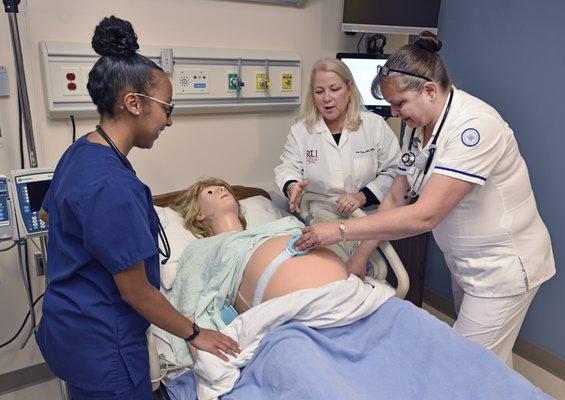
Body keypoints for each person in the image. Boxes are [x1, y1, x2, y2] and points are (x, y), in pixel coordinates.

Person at [294, 31, 555, 366]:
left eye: (399, 103)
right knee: (491, 363)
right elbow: (395, 198)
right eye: (391, 104)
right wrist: (359, 257)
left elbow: (425, 215)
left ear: (429, 89)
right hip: (466, 262)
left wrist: (339, 230)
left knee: (464, 365)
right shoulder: (419, 127)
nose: (394, 111)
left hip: (501, 265)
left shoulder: (474, 127)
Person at [35, 17, 238, 399]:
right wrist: (196, 334)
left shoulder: (82, 150)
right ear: (133, 104)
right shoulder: (112, 185)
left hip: (69, 324)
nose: (169, 120)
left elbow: (49, 216)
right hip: (102, 344)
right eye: (167, 107)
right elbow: (136, 292)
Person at [170, 178, 349, 317]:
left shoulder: (277, 227)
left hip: (348, 293)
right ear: (199, 214)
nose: (221, 189)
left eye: (223, 188)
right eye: (210, 192)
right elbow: (189, 304)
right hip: (295, 312)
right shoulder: (202, 248)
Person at [274, 57, 401, 215]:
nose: (327, 98)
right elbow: (287, 168)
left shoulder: (374, 125)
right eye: (319, 91)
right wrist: (292, 186)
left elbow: (393, 170)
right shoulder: (301, 131)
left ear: (349, 90)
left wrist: (362, 196)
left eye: (334, 89)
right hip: (320, 217)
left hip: (367, 216)